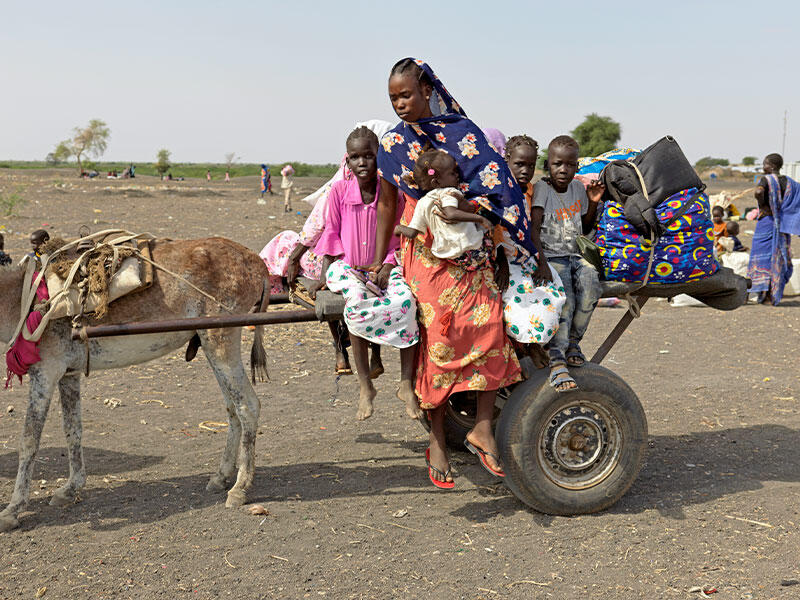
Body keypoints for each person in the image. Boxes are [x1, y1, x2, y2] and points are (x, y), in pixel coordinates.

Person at [371, 58, 532, 488]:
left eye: (406, 95)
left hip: (469, 251)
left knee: (491, 327)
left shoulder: (463, 135)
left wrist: (491, 236)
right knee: (437, 340)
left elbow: (497, 189)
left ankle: (482, 427)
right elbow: (387, 205)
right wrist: (376, 258)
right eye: (392, 98)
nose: (400, 104)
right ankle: (438, 440)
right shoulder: (391, 144)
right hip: (423, 252)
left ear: (426, 90)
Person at [313, 126, 419, 421]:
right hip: (351, 267)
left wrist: (387, 264)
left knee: (407, 302)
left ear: (380, 157)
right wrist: (324, 276)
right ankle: (364, 385)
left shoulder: (393, 194)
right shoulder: (338, 192)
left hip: (387, 265)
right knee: (356, 302)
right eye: (355, 158)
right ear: (347, 161)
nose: (362, 163)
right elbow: (331, 235)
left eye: (369, 156)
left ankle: (405, 383)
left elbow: (401, 237)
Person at [531, 135, 604, 392]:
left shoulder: (577, 189)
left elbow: (583, 226)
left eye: (570, 165)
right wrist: (540, 262)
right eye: (557, 164)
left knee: (591, 284)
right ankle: (557, 357)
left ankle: (574, 341)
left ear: (576, 167)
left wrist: (593, 202)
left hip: (575, 254)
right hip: (550, 256)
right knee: (567, 299)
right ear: (548, 164)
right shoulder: (542, 189)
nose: (563, 170)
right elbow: (534, 227)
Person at [747, 153, 800, 305]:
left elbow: (758, 192)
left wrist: (763, 204)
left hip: (767, 222)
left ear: (771, 166)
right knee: (777, 258)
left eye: (764, 164)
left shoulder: (766, 179)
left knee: (761, 259)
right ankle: (772, 295)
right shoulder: (790, 183)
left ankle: (761, 294)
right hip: (782, 226)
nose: (763, 167)